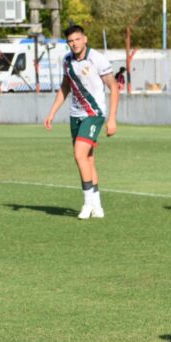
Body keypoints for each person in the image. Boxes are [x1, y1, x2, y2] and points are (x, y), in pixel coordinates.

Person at [44, 24, 119, 220]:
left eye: (77, 39)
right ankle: (97, 205)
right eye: (70, 41)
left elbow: (114, 86)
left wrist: (112, 119)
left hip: (94, 114)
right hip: (75, 115)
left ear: (84, 39)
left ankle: (87, 203)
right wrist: (52, 112)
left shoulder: (97, 59)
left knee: (79, 155)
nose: (74, 43)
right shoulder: (67, 61)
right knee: (87, 159)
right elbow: (65, 88)